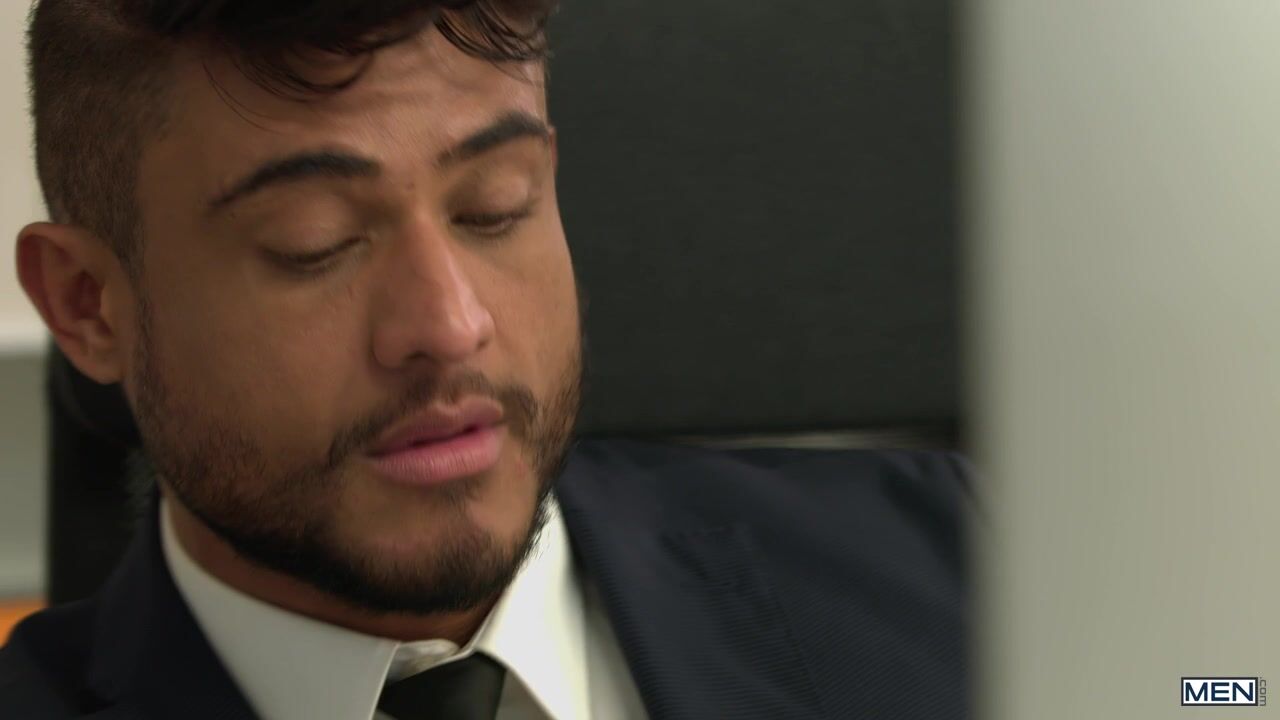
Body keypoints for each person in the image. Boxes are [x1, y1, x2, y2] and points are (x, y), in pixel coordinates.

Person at [0, 1, 972, 718]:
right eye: (314, 243)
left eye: (493, 207)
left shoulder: (973, 574)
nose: (450, 323)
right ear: (88, 305)